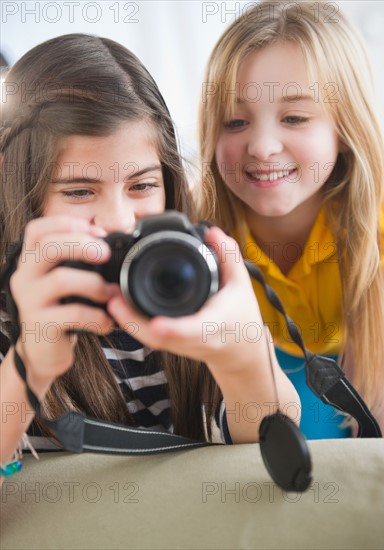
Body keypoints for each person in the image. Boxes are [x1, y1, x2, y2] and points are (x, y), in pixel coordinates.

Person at [0, 33, 301, 476]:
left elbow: (271, 450)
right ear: (23, 199)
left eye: (142, 185)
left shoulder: (186, 282)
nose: (119, 220)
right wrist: (31, 364)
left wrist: (244, 354)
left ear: (170, 184)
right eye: (80, 191)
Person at [198, 1, 384, 438]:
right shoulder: (201, 231)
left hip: (380, 361)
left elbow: (381, 408)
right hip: (275, 365)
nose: (262, 146)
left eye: (294, 117)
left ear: (346, 132)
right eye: (235, 121)